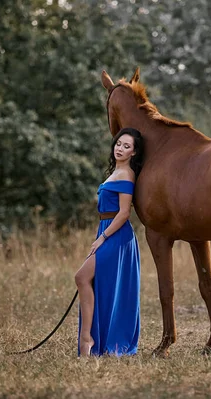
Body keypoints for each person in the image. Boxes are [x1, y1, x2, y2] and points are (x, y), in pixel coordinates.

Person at [74, 127, 144, 357]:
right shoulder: (115, 172)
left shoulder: (127, 175)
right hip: (106, 230)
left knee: (82, 277)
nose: (120, 149)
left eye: (127, 146)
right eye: (118, 144)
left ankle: (88, 338)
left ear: (134, 152)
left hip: (117, 235)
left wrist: (103, 238)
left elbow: (124, 213)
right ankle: (91, 337)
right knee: (96, 283)